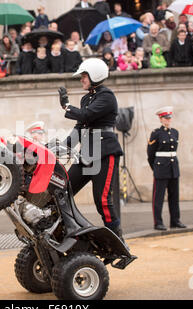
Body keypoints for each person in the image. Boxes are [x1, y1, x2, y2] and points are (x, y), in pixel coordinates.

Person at [57, 58, 125, 241]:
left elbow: (87, 114)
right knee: (62, 190)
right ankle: (68, 231)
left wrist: (66, 106)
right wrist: (62, 147)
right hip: (86, 152)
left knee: (102, 200)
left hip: (104, 151)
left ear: (95, 75)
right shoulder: (86, 98)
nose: (81, 80)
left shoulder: (106, 96)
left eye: (84, 76)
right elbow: (80, 126)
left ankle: (116, 238)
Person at [147, 106, 186, 231]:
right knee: (158, 197)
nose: (168, 120)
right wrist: (156, 168)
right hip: (161, 168)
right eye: (165, 118)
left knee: (174, 196)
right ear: (161, 119)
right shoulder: (156, 133)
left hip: (174, 168)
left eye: (169, 118)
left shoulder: (175, 132)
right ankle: (158, 222)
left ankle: (175, 220)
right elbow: (150, 154)